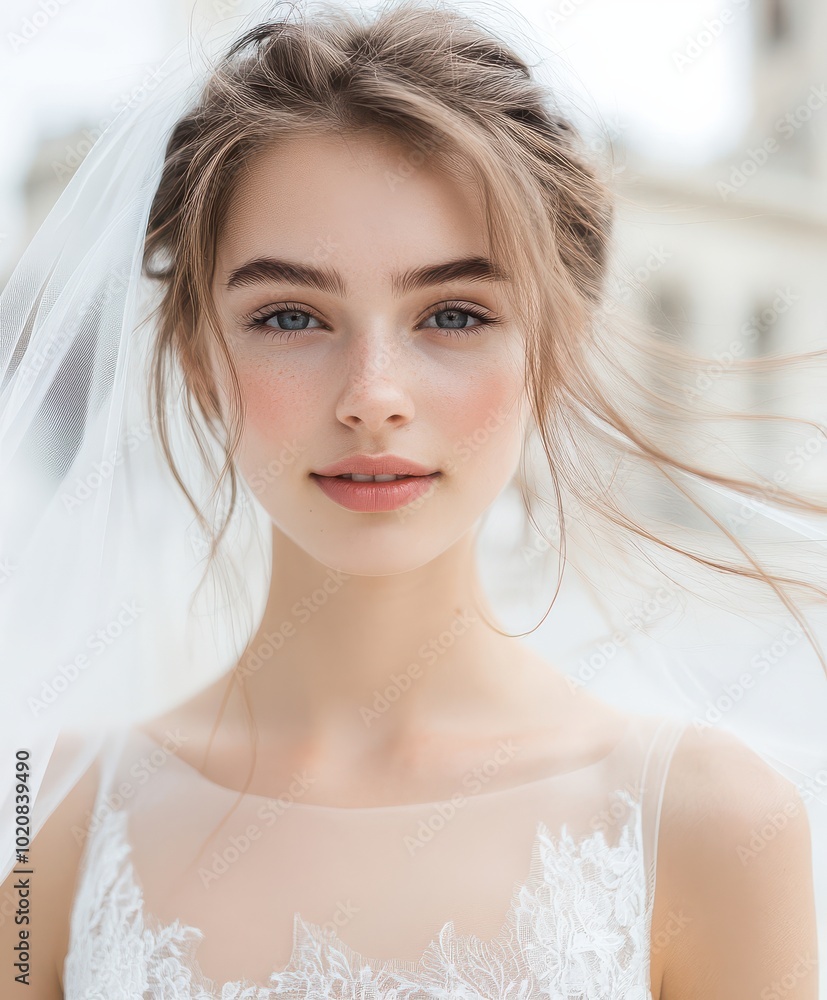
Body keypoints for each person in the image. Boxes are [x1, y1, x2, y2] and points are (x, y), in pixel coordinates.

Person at [0, 1, 823, 997]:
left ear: (550, 350)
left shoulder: (711, 828)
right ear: (199, 359)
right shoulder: (48, 825)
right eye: (291, 316)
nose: (372, 396)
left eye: (454, 314)